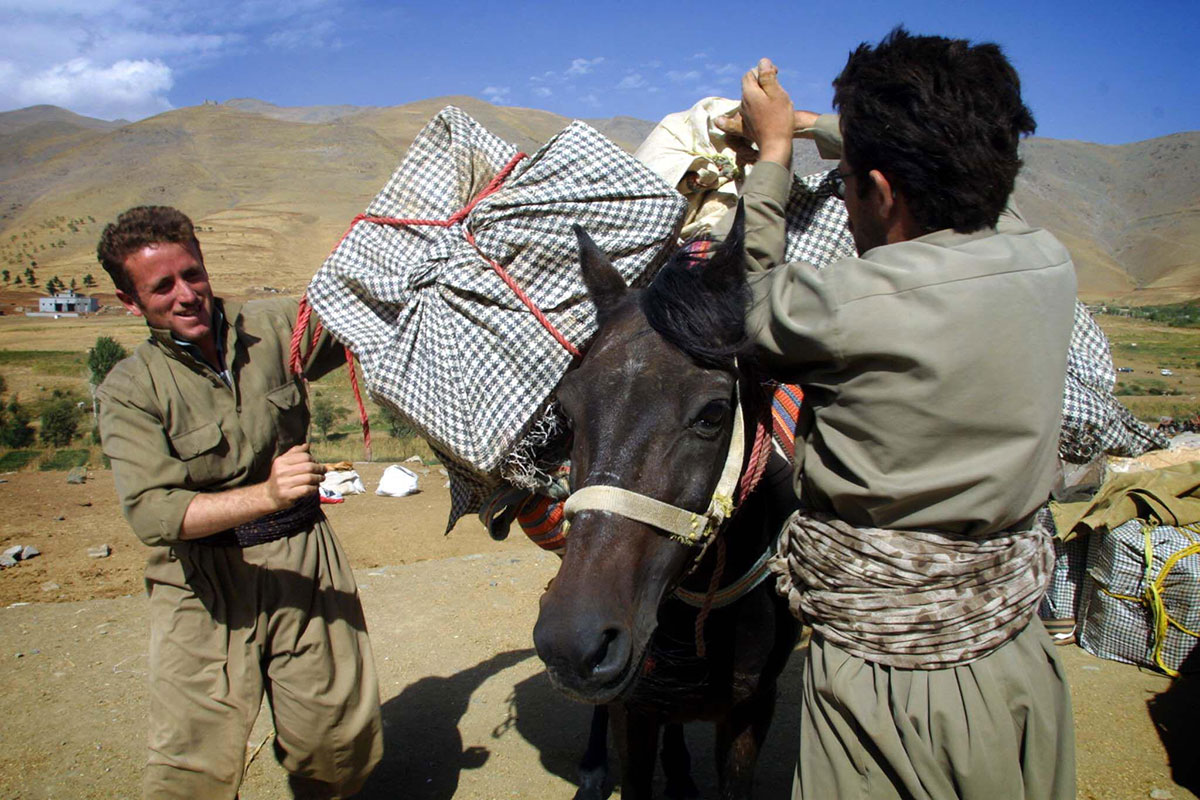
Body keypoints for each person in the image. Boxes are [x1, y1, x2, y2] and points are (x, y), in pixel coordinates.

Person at [716, 29, 1077, 799]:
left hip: (889, 686)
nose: (843, 202)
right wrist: (810, 125)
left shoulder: (847, 302)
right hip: (1015, 653)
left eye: (846, 183)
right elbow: (968, 165)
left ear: (879, 192)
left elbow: (750, 306)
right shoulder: (1046, 259)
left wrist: (774, 154)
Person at [95, 206, 382, 799]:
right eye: (162, 287)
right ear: (130, 302)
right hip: (201, 580)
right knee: (191, 766)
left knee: (336, 747)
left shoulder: (275, 326)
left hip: (305, 559)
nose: (186, 295)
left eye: (192, 274)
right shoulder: (129, 389)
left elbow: (364, 313)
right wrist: (267, 494)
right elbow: (154, 514)